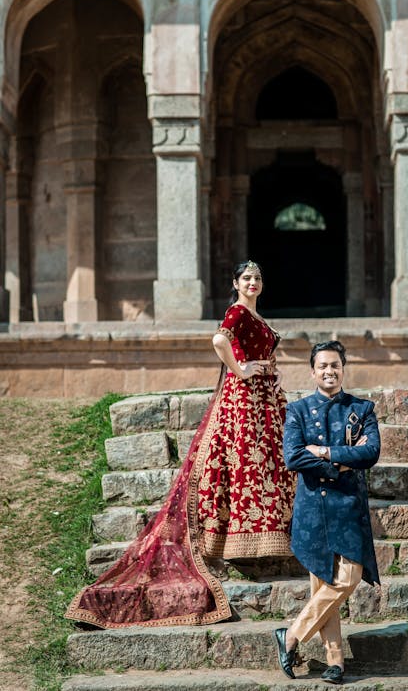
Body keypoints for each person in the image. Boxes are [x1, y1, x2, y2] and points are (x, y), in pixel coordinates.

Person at [65, 261, 295, 629]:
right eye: (247, 278)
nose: (253, 282)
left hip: (265, 397)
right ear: (235, 283)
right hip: (246, 398)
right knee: (246, 462)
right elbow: (219, 339)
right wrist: (240, 370)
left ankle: (261, 534)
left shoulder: (255, 314)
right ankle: (236, 537)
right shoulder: (237, 311)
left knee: (263, 463)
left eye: (258, 277)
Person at [274, 340, 380, 685]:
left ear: (343, 368)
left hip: (348, 506)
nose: (329, 371)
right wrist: (342, 459)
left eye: (335, 365)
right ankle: (335, 662)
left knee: (347, 578)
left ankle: (291, 636)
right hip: (313, 507)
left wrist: (321, 451)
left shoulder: (362, 409)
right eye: (322, 366)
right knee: (322, 581)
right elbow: (293, 458)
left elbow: (371, 452)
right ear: (313, 371)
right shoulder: (298, 411)